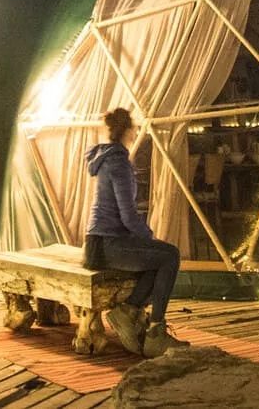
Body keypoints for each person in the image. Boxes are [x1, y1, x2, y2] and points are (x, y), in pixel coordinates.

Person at [83, 107, 189, 357]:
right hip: (108, 243)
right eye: (134, 128)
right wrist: (148, 237)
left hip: (100, 241)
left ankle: (129, 311)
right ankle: (155, 332)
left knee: (157, 258)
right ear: (129, 130)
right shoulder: (118, 161)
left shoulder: (106, 157)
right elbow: (128, 215)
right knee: (170, 255)